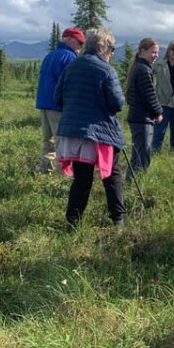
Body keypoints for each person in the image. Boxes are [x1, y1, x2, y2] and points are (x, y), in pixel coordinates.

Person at [54, 27, 127, 228]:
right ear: (104, 47)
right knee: (112, 175)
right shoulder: (106, 70)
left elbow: (57, 97)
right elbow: (118, 104)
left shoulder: (72, 66)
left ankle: (72, 222)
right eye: (112, 49)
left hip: (74, 132)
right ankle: (118, 221)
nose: (112, 54)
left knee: (82, 179)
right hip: (101, 131)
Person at [34, 26, 84, 174]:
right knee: (62, 141)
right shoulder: (70, 58)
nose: (81, 46)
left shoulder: (50, 56)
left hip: (44, 104)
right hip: (57, 106)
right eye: (79, 42)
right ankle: (64, 174)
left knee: (48, 140)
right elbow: (71, 85)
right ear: (69, 39)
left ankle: (44, 169)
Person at [125, 38, 163, 180]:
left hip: (137, 117)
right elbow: (149, 94)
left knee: (138, 153)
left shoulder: (139, 67)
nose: (156, 55)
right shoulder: (143, 70)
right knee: (143, 154)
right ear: (142, 51)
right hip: (141, 119)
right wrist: (158, 112)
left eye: (157, 52)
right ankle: (137, 182)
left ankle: (131, 181)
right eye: (153, 52)